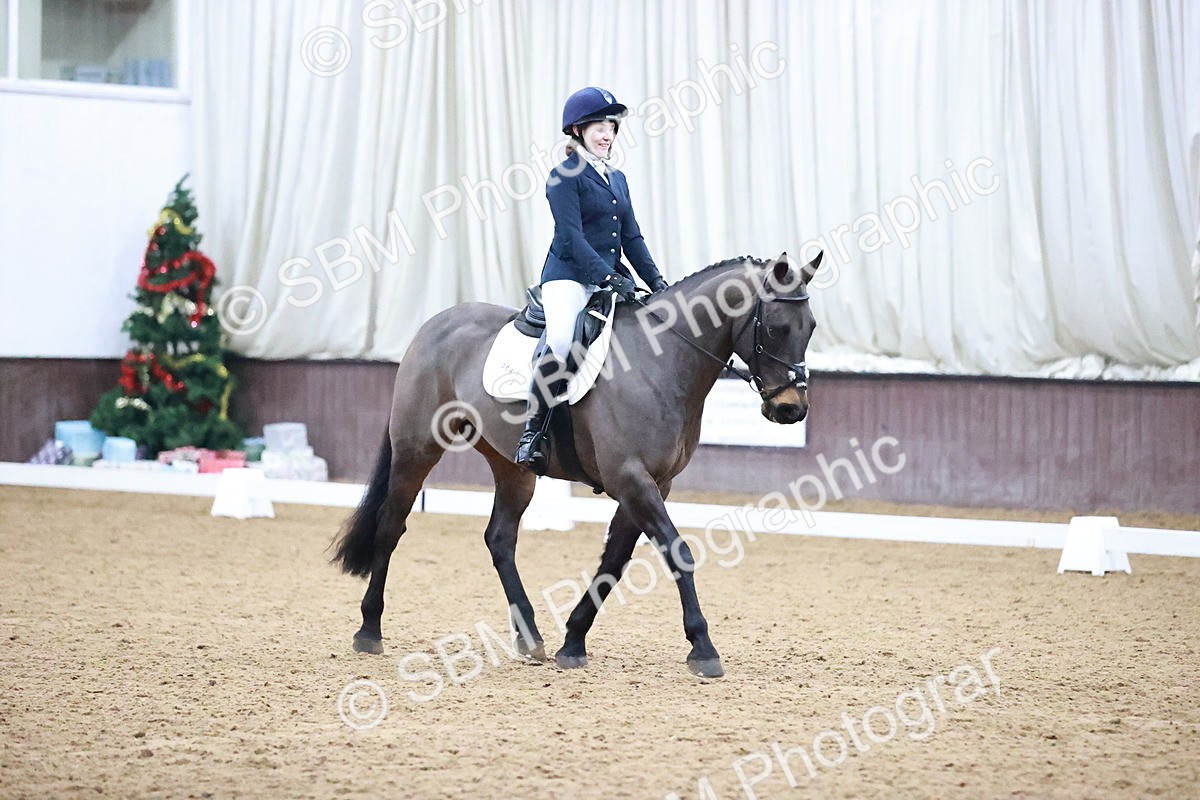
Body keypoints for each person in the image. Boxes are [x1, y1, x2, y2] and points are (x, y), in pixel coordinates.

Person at [515, 86, 669, 472]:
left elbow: (632, 238)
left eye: (611, 127)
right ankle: (533, 432)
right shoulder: (563, 176)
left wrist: (658, 283)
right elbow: (571, 237)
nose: (607, 134)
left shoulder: (617, 179)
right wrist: (607, 277)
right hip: (567, 278)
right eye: (599, 126)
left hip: (606, 279)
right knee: (564, 337)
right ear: (578, 130)